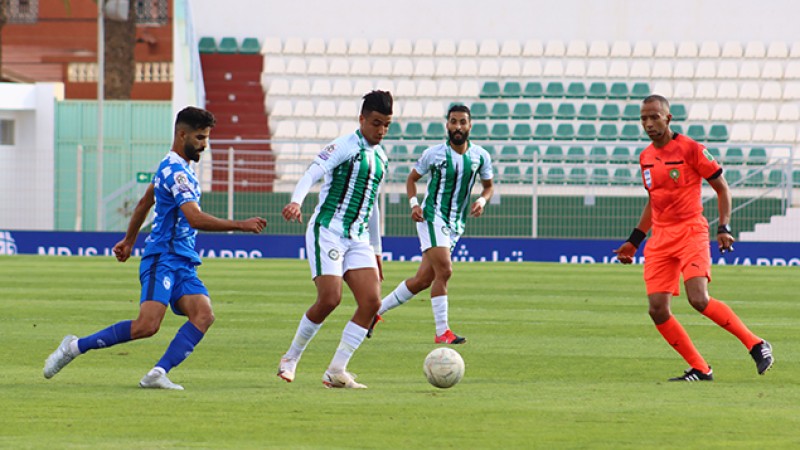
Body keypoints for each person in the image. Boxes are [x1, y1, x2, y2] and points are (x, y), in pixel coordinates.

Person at [43, 106, 267, 390]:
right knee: (147, 326)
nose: (204, 145)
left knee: (204, 315)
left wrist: (129, 240)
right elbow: (194, 218)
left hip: (183, 261)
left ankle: (158, 373)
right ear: (182, 135)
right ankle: (74, 347)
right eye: (200, 138)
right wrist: (240, 225)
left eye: (207, 138)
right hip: (162, 258)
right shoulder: (176, 172)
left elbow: (144, 203)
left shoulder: (175, 167)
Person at [613, 95, 773, 382]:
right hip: (661, 238)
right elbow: (654, 201)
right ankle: (701, 368)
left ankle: (756, 344)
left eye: (654, 117)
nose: (648, 123)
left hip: (690, 232)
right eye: (644, 118)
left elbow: (722, 189)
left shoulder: (692, 149)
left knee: (698, 298)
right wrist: (635, 240)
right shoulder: (645, 157)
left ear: (668, 118)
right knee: (657, 309)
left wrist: (723, 227)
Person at [276, 90, 393, 389]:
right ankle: (290, 357)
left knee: (372, 302)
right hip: (328, 230)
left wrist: (377, 251)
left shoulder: (382, 158)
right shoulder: (343, 146)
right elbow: (312, 173)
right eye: (376, 123)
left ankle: (337, 370)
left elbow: (372, 206)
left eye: (386, 125)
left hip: (358, 238)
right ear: (361, 119)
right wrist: (296, 201)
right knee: (330, 298)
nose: (381, 130)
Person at [370, 104, 494, 344]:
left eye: (462, 122)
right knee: (445, 270)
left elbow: (488, 186)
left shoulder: (481, 156)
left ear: (470, 126)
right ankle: (442, 331)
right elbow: (412, 179)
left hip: (456, 223)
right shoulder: (434, 154)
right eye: (453, 121)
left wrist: (481, 200)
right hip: (432, 216)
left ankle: (374, 312)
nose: (458, 126)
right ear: (447, 125)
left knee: (423, 280)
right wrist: (414, 205)